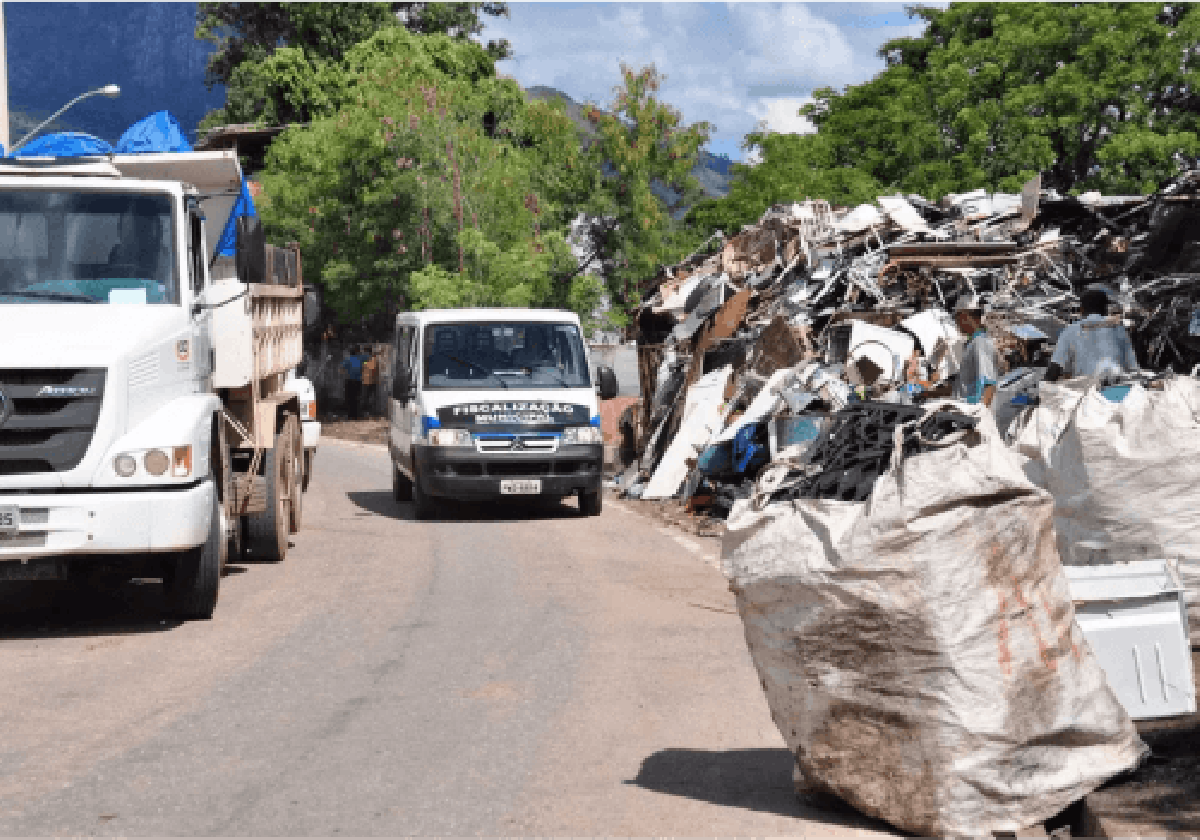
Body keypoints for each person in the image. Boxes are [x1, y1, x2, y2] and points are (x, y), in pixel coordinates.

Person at [1044, 287, 1139, 383]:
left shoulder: (1070, 331)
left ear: (1081, 309)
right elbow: (1132, 368)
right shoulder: (1119, 329)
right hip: (1117, 390)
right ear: (1105, 309)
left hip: (1085, 391)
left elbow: (1055, 368)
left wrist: (1044, 385)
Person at [952, 295, 999, 408]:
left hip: (974, 414)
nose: (956, 323)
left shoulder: (980, 343)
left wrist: (979, 417)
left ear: (965, 316)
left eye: (957, 318)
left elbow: (989, 385)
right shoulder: (972, 343)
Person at [341, 345, 365, 419]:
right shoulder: (360, 359)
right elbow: (363, 368)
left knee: (349, 398)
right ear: (357, 352)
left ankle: (350, 415)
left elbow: (341, 369)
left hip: (349, 381)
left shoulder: (347, 359)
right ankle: (356, 415)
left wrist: (346, 374)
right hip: (358, 381)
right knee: (357, 398)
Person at [361, 346, 380, 416]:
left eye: (365, 352)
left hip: (370, 381)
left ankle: (369, 411)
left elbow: (373, 369)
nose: (363, 353)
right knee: (366, 397)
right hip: (367, 381)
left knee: (368, 397)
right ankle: (366, 411)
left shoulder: (372, 360)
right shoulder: (369, 359)